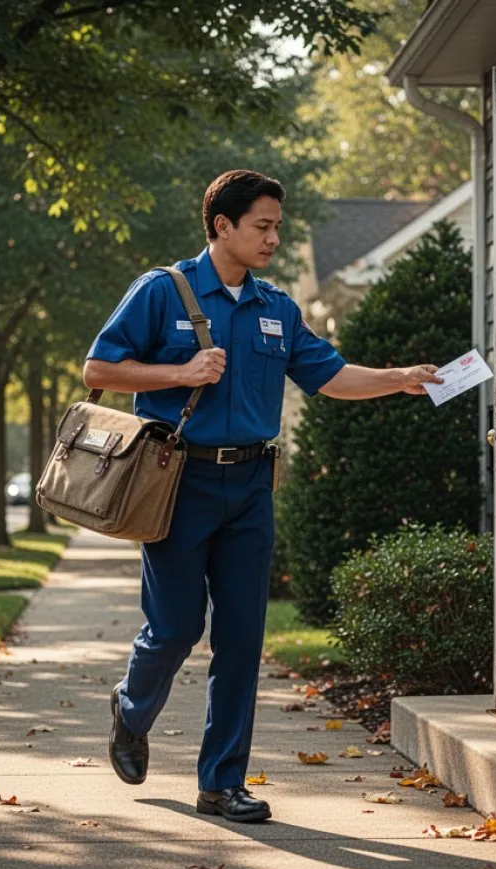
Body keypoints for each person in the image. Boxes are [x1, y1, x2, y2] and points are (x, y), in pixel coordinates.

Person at [82, 169, 441, 823]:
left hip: (250, 485)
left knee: (244, 637)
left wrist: (400, 378)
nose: (275, 237)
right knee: (176, 626)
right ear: (222, 226)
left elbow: (329, 377)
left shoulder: (277, 308)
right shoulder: (163, 291)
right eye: (263, 225)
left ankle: (221, 783)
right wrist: (180, 372)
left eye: (277, 225)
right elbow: (98, 368)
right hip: (177, 482)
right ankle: (130, 710)